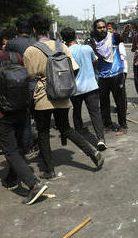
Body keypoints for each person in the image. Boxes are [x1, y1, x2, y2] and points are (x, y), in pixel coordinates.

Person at [0, 26, 47, 205]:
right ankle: (11, 179)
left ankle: (34, 184)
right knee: (20, 147)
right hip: (21, 108)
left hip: (1, 112)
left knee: (10, 150)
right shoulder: (16, 57)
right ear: (3, 41)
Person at [23, 14, 104, 180]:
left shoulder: (30, 51)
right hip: (62, 95)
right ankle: (93, 152)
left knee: (43, 132)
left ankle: (50, 170)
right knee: (65, 127)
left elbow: (30, 76)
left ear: (33, 29)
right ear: (47, 28)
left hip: (43, 97)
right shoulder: (62, 46)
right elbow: (74, 68)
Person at [60, 27, 107, 151]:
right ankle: (101, 139)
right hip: (91, 86)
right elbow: (95, 61)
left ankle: (79, 133)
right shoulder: (87, 48)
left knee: (76, 111)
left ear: (63, 39)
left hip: (75, 88)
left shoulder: (64, 52)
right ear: (75, 35)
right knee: (95, 113)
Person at [85, 19, 130, 135]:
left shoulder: (113, 37)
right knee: (104, 103)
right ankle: (107, 125)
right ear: (95, 29)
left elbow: (122, 37)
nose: (102, 29)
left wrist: (125, 32)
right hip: (102, 77)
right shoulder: (92, 42)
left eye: (104, 27)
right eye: (99, 27)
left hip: (116, 75)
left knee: (120, 102)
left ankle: (123, 125)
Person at [5, 16, 38, 158]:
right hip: (39, 83)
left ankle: (26, 147)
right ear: (31, 29)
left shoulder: (11, 44)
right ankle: (39, 144)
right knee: (38, 117)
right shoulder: (37, 42)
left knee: (25, 117)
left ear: (17, 29)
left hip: (21, 84)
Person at [107, 22, 129, 114]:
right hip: (112, 70)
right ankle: (119, 106)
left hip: (121, 69)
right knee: (116, 91)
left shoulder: (117, 40)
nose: (108, 31)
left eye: (110, 29)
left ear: (114, 30)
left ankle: (124, 108)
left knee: (121, 90)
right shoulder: (107, 41)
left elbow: (123, 55)